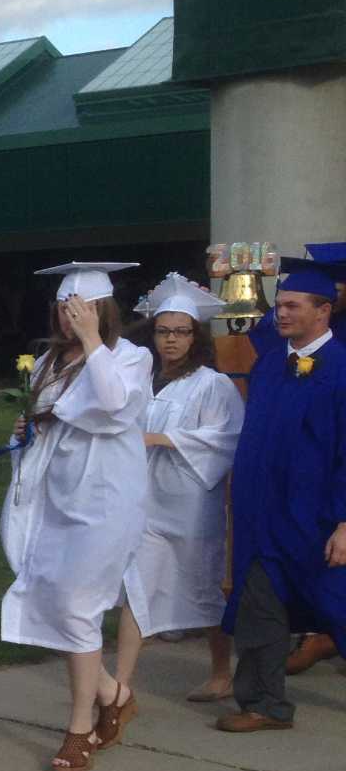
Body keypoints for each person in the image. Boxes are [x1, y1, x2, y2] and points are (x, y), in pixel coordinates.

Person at [0, 262, 151, 771]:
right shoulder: (46, 362)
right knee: (64, 606)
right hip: (57, 499)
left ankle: (79, 728)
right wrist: (25, 426)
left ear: (102, 310)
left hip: (104, 502)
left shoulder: (130, 358)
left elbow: (111, 406)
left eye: (81, 311)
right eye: (65, 310)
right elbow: (46, 422)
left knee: (77, 607)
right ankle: (114, 693)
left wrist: (92, 342)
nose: (70, 320)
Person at [216, 249, 346, 734]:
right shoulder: (270, 365)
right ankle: (264, 703)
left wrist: (344, 522)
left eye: (293, 305)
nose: (281, 313)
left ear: (323, 311)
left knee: (335, 603)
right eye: (280, 304)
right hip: (263, 517)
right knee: (259, 605)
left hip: (317, 520)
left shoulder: (342, 369)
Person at [116, 275, 242, 704]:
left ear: (196, 336)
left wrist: (163, 439)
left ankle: (221, 671)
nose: (171, 340)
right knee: (137, 584)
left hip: (189, 504)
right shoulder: (140, 380)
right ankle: (120, 685)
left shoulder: (212, 384)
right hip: (143, 499)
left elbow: (225, 437)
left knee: (202, 586)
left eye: (181, 332)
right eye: (164, 331)